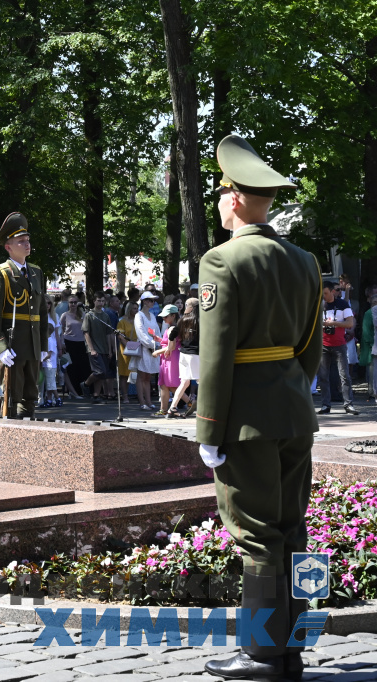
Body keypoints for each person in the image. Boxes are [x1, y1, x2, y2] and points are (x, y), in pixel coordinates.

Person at [196, 135, 323, 682]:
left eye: (224, 191)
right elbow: (310, 350)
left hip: (245, 423)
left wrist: (208, 429)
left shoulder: (221, 261)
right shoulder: (304, 261)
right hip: (295, 414)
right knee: (293, 531)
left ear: (238, 200)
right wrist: (290, 394)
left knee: (256, 536)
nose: (221, 200)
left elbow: (217, 354)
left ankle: (262, 655)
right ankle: (291, 645)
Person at [0, 212, 49, 418]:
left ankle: (28, 430)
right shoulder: (0, 272)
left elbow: (42, 312)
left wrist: (44, 346)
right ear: (8, 247)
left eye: (28, 240)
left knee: (31, 394)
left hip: (32, 344)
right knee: (12, 395)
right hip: (12, 345)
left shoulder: (36, 272)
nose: (27, 244)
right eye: (21, 241)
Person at [316, 281, 357, 415]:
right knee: (323, 376)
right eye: (322, 294)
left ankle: (348, 404)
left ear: (332, 291)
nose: (324, 297)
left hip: (339, 345)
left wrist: (333, 323)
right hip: (323, 345)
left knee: (344, 375)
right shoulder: (318, 305)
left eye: (326, 293)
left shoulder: (342, 304)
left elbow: (350, 323)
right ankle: (325, 405)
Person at [166, 298, 199, 417]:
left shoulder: (182, 320)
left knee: (184, 382)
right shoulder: (200, 320)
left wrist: (170, 347)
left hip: (183, 354)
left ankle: (172, 409)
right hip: (196, 354)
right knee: (203, 381)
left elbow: (173, 333)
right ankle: (207, 408)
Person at [82, 292, 115, 403]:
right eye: (98, 300)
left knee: (103, 374)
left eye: (102, 301)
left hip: (104, 348)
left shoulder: (105, 316)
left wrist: (110, 350)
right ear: (94, 301)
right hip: (94, 348)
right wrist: (91, 349)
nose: (101, 303)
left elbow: (109, 334)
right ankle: (85, 384)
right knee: (99, 371)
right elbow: (86, 333)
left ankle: (96, 395)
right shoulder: (89, 315)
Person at [131, 291, 161, 411]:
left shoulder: (152, 316)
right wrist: (151, 344)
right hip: (143, 348)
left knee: (148, 376)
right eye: (149, 300)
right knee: (141, 375)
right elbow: (141, 333)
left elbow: (157, 332)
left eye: (153, 300)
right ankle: (142, 402)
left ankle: (148, 401)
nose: (152, 302)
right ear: (144, 301)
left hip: (152, 348)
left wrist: (158, 343)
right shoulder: (139, 315)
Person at [152, 303, 181, 415]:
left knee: (172, 385)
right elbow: (169, 343)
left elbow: (171, 347)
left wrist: (157, 352)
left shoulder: (172, 329)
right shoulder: (172, 328)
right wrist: (160, 340)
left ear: (173, 316)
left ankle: (190, 401)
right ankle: (163, 409)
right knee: (164, 384)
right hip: (168, 358)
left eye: (166, 316)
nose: (163, 318)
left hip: (170, 358)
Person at [60, 294, 91, 397]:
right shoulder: (65, 315)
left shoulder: (82, 314)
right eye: (71, 302)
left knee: (83, 366)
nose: (73, 304)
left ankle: (83, 390)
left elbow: (86, 328)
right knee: (71, 368)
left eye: (75, 302)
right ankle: (73, 391)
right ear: (68, 304)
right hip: (69, 342)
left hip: (81, 343)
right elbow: (61, 330)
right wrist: (62, 343)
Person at [40, 299, 61, 408]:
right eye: (45, 302)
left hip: (48, 357)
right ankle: (48, 400)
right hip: (43, 351)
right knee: (47, 381)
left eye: (49, 303)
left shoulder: (54, 316)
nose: (47, 305)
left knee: (50, 381)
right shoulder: (39, 315)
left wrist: (60, 347)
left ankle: (56, 398)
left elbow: (57, 334)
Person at [116, 302, 138, 403]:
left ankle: (139, 395)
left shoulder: (138, 321)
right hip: (126, 350)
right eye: (134, 308)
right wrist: (130, 347)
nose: (136, 310)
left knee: (138, 373)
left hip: (138, 348)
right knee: (124, 374)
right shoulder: (122, 322)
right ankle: (125, 396)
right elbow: (120, 336)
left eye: (137, 308)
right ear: (129, 309)